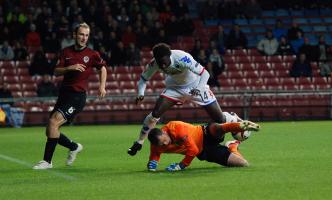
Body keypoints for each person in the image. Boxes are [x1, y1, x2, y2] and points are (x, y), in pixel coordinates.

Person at [128, 43, 232, 156]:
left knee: (220, 119)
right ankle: (139, 142)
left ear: (170, 56)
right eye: (160, 64)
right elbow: (143, 79)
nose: (163, 66)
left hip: (195, 86)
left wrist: (199, 88)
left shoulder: (182, 57)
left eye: (165, 63)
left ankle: (230, 117)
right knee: (155, 113)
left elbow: (205, 73)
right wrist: (140, 93)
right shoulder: (154, 63)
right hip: (175, 89)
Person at [33, 22, 107, 170]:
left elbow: (102, 68)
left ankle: (47, 161)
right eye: (81, 34)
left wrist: (102, 86)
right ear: (74, 35)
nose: (84, 38)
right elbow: (56, 71)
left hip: (78, 96)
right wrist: (69, 68)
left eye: (86, 35)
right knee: (50, 129)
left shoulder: (92, 54)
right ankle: (74, 146)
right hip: (64, 94)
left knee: (53, 123)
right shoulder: (65, 52)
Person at [146, 118, 260, 172]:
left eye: (164, 140)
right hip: (205, 151)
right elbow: (154, 156)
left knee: (216, 128)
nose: (166, 144)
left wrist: (181, 165)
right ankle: (232, 146)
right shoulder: (157, 144)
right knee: (243, 164)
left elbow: (193, 150)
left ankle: (240, 126)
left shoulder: (176, 128)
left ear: (164, 132)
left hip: (203, 133)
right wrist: (152, 166)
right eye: (162, 144)